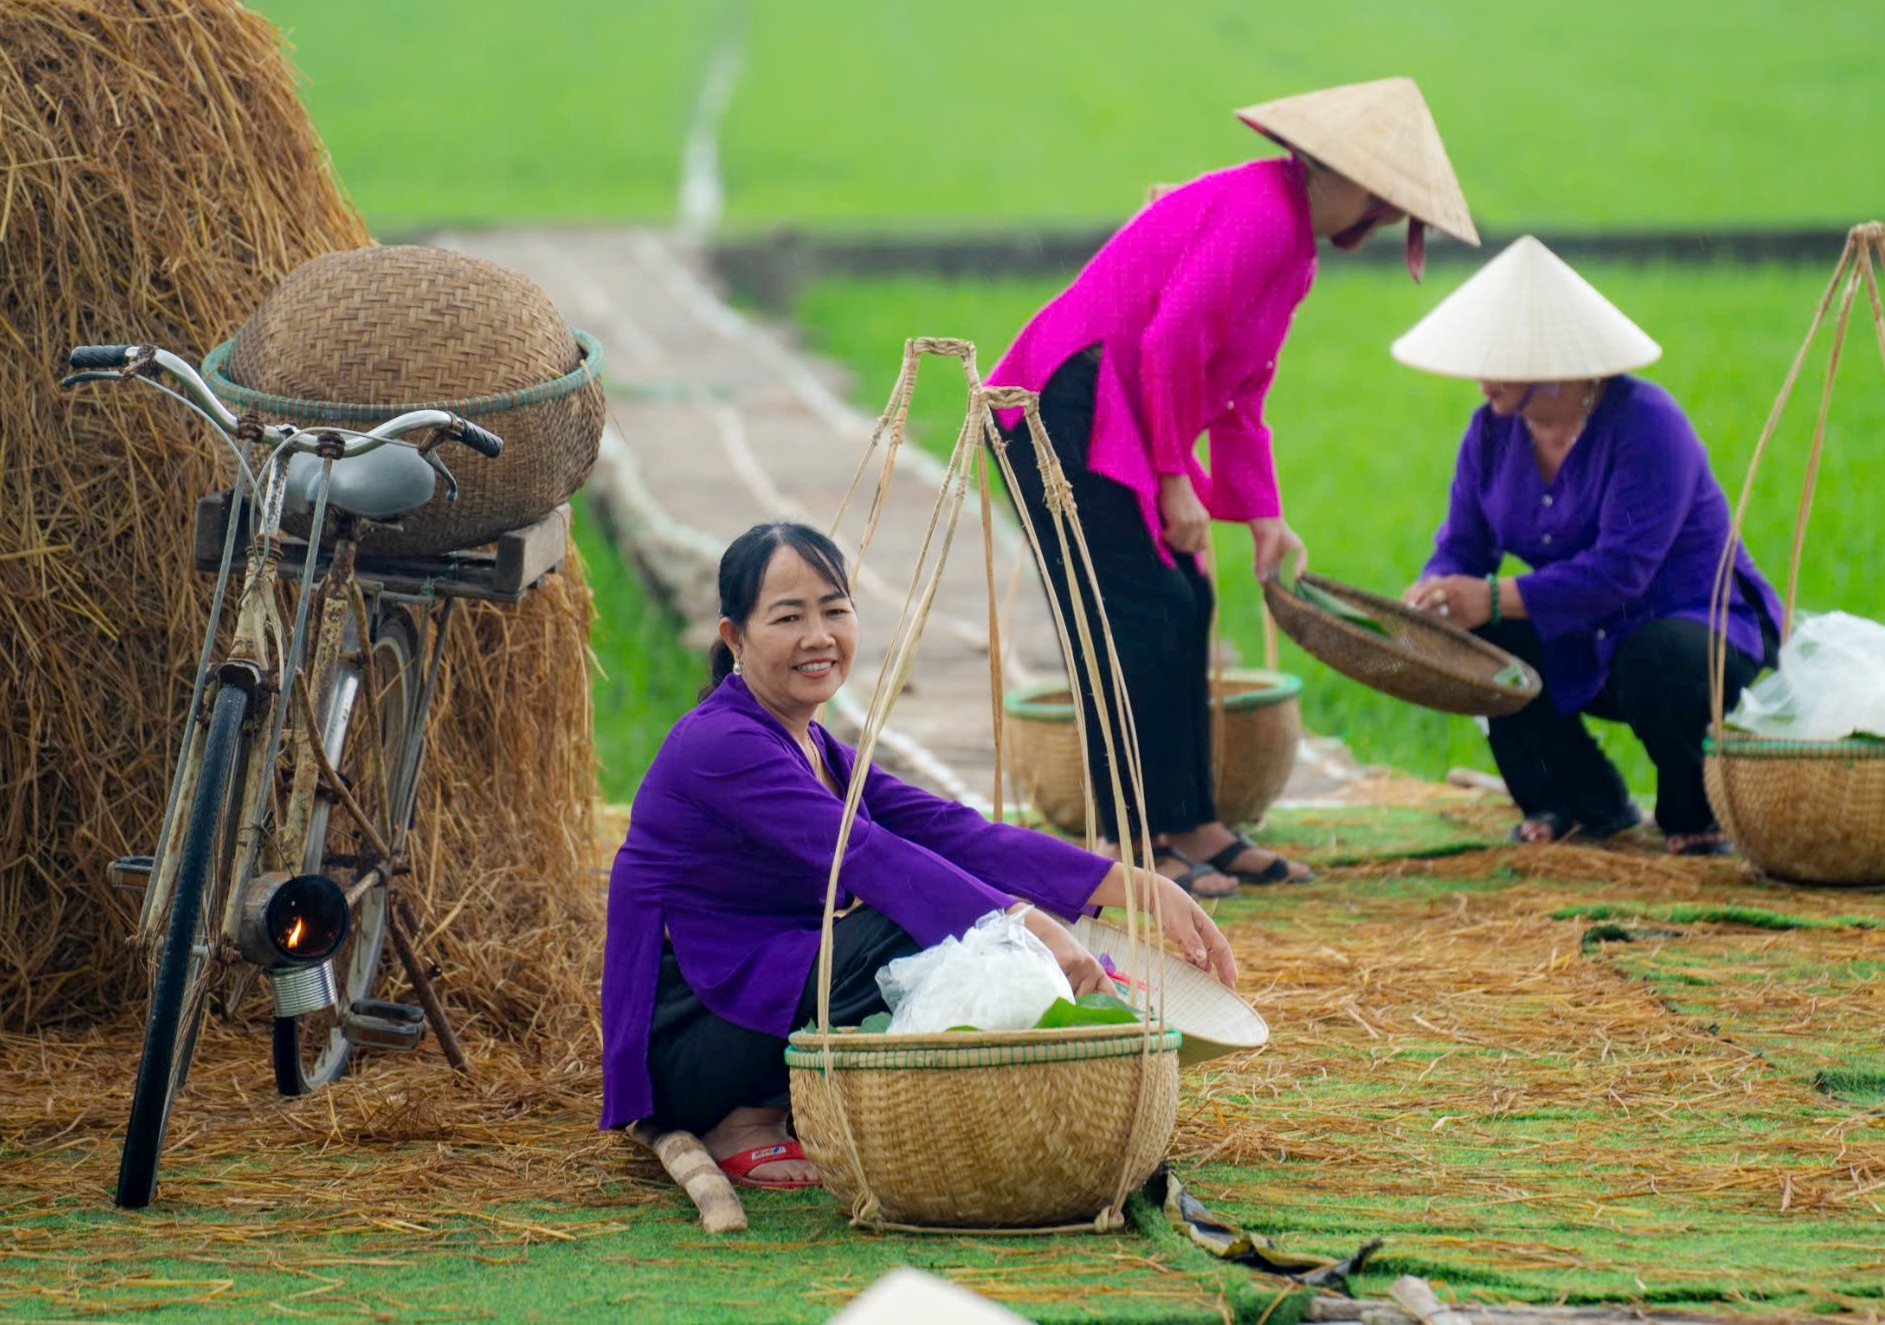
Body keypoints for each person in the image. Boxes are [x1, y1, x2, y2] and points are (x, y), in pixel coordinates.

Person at [600, 521, 1236, 1190]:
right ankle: (740, 1116)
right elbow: (868, 855)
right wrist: (1027, 927)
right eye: (788, 617)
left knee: (943, 907)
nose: (819, 636)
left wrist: (1133, 885)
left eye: (834, 610)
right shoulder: (722, 744)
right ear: (734, 637)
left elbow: (951, 830)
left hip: (737, 1011)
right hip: (685, 1044)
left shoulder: (814, 745)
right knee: (902, 922)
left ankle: (773, 1100)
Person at [991, 79, 1478, 896]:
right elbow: (1173, 342)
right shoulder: (1261, 211)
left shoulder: (1295, 249)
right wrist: (1179, 479)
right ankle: (1131, 840)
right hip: (1061, 403)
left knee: (1185, 602)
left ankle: (1193, 821)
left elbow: (1241, 391)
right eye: (1383, 194)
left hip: (1125, 406)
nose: (1388, 214)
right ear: (1336, 173)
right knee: (1129, 614)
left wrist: (1263, 516)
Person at [1391, 236, 1784, 856]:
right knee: (1481, 645)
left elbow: (1619, 573)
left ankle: (1696, 811)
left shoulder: (1648, 424)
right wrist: (1438, 591)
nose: (1479, 377)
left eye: (1498, 359)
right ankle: (1578, 802)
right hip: (1584, 635)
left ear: (1552, 362)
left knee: (1657, 657)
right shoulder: (1489, 434)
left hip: (1690, 633)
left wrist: (1490, 595)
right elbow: (1462, 546)